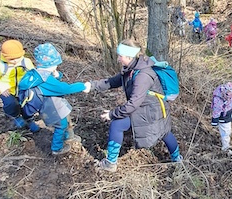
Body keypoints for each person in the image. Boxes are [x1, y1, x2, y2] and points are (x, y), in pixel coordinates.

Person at [90, 41, 183, 172]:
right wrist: (91, 85)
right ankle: (178, 159)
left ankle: (110, 163)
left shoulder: (142, 75)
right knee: (164, 131)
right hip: (152, 109)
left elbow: (133, 104)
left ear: (129, 56)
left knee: (117, 124)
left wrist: (111, 114)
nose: (118, 59)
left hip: (151, 112)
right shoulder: (133, 69)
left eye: (120, 56)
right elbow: (112, 82)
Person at [18, 43, 91, 155]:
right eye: (56, 64)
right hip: (54, 109)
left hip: (49, 107)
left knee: (65, 122)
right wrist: (83, 86)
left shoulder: (37, 75)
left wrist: (57, 75)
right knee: (61, 126)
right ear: (51, 64)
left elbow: (52, 84)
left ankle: (68, 137)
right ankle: (57, 148)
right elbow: (64, 88)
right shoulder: (46, 79)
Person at [0, 39, 40, 131]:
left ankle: (28, 119)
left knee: (27, 105)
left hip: (23, 90)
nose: (15, 61)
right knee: (11, 104)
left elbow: (33, 73)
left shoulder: (26, 62)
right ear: (4, 56)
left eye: (18, 58)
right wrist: (2, 88)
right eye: (11, 59)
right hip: (8, 91)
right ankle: (14, 117)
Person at [211, 82, 232, 156]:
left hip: (228, 114)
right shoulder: (218, 98)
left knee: (227, 131)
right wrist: (215, 119)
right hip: (223, 117)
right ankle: (225, 148)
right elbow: (216, 109)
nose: (230, 95)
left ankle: (226, 144)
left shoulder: (230, 92)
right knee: (225, 133)